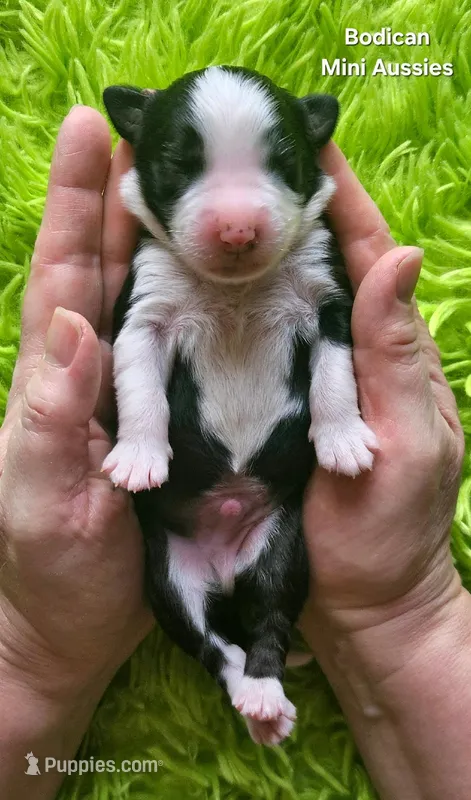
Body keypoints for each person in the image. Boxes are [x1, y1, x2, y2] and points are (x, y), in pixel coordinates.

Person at [0, 105, 466, 800]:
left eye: (270, 167)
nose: (235, 220)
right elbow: (137, 338)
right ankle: (227, 661)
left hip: (274, 503)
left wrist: (397, 607)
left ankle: (266, 658)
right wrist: (139, 437)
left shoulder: (310, 253)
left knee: (276, 567)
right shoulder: (157, 263)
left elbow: (329, 325)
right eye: (188, 171)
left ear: (306, 159)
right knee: (173, 573)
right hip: (178, 508)